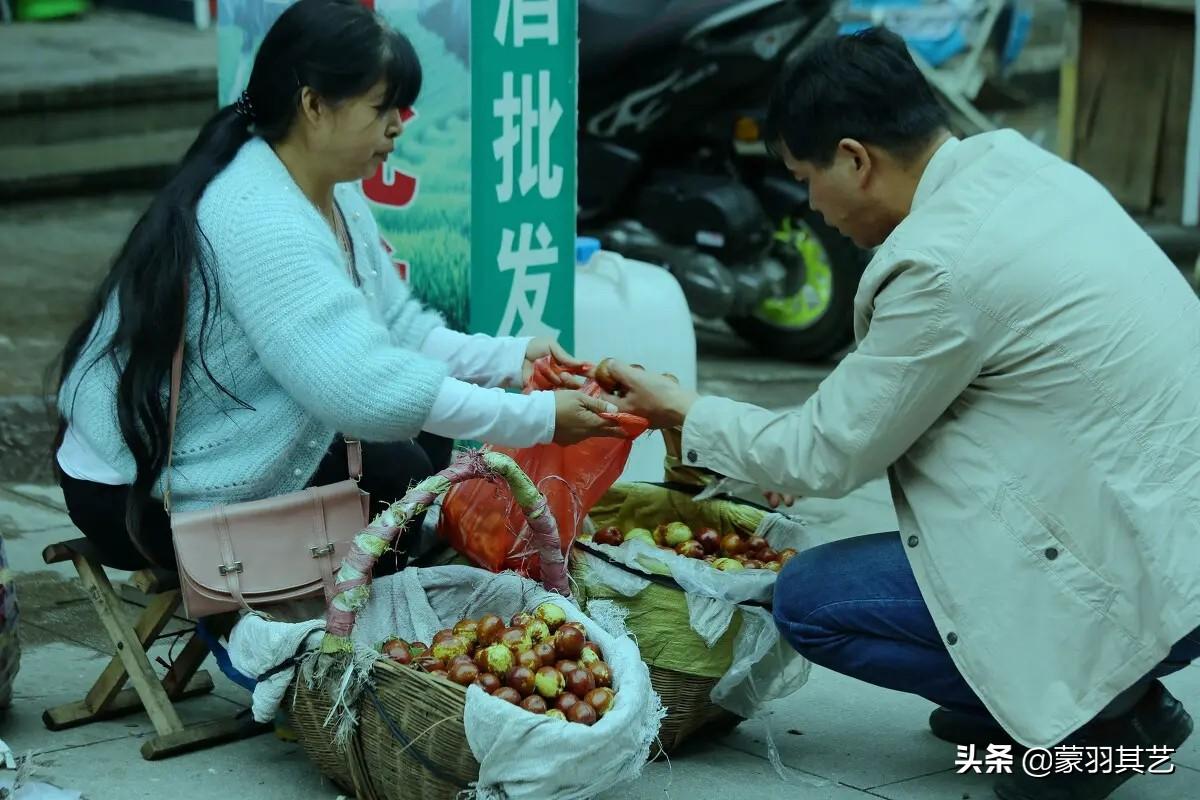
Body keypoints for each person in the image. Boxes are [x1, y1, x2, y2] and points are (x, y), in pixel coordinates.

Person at [604, 27, 1200, 800]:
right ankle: (1025, 699)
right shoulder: (1014, 169)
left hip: (1144, 583)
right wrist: (766, 441)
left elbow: (824, 457)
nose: (811, 206)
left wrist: (681, 409)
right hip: (1168, 540)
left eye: (804, 177)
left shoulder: (940, 262)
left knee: (811, 603)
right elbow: (868, 401)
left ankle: (1099, 729)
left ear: (855, 158)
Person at [53, 0, 621, 573]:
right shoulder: (260, 216)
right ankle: (338, 645)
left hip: (210, 447)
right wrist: (541, 417)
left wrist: (511, 359)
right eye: (382, 109)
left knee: (422, 456)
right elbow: (363, 392)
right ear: (314, 106)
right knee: (401, 475)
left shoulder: (330, 192)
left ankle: (357, 619)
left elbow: (399, 330)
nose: (398, 124)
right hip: (138, 495)